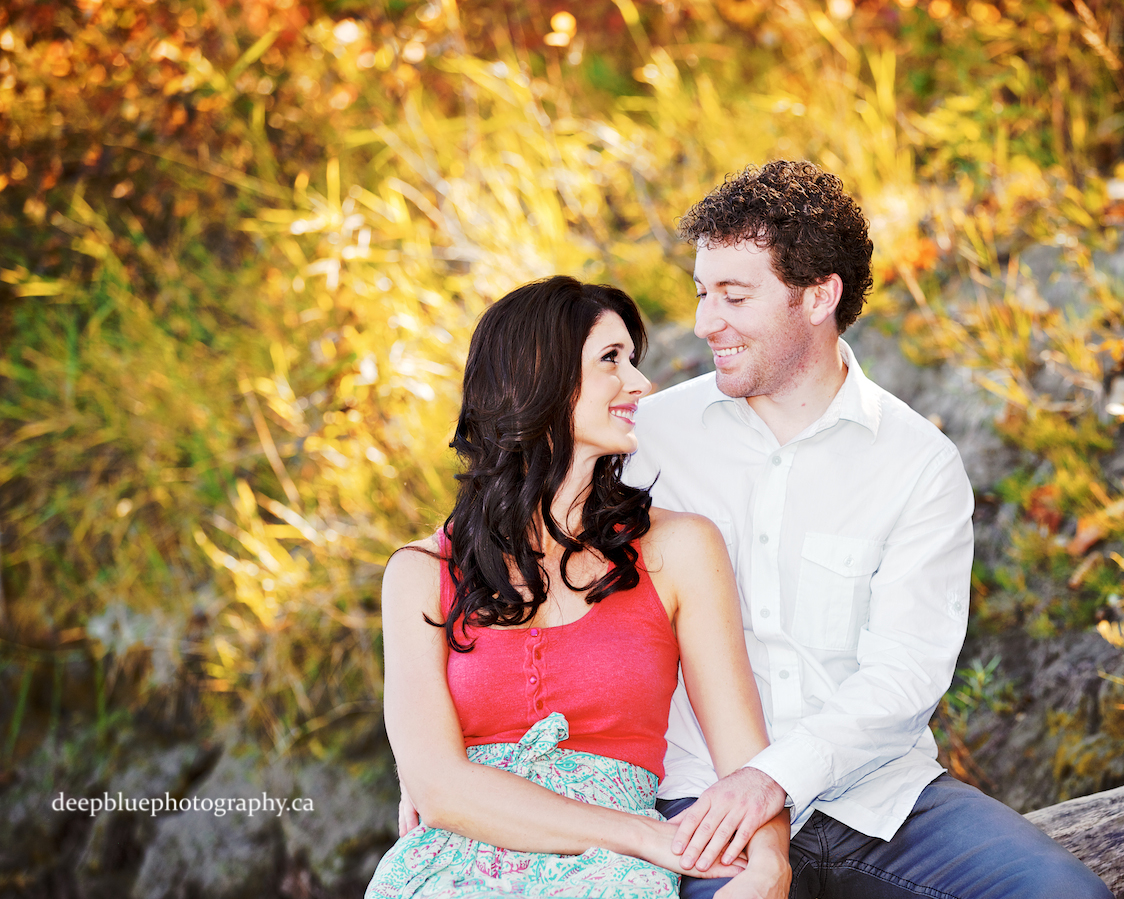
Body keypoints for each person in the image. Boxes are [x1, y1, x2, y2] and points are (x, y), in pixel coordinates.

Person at [624, 160, 1113, 898]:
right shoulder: (645, 438)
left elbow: (906, 672)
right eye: (701, 293)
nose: (702, 322)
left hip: (880, 800)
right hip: (696, 807)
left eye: (733, 294)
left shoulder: (916, 461)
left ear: (819, 295)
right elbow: (520, 573)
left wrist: (773, 778)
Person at [366, 276, 791, 899]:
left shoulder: (678, 550)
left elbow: (744, 754)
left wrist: (771, 866)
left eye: (634, 360)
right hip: (449, 864)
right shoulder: (418, 574)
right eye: (611, 361)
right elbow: (438, 788)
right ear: (542, 378)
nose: (641, 384)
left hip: (609, 875)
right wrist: (647, 837)